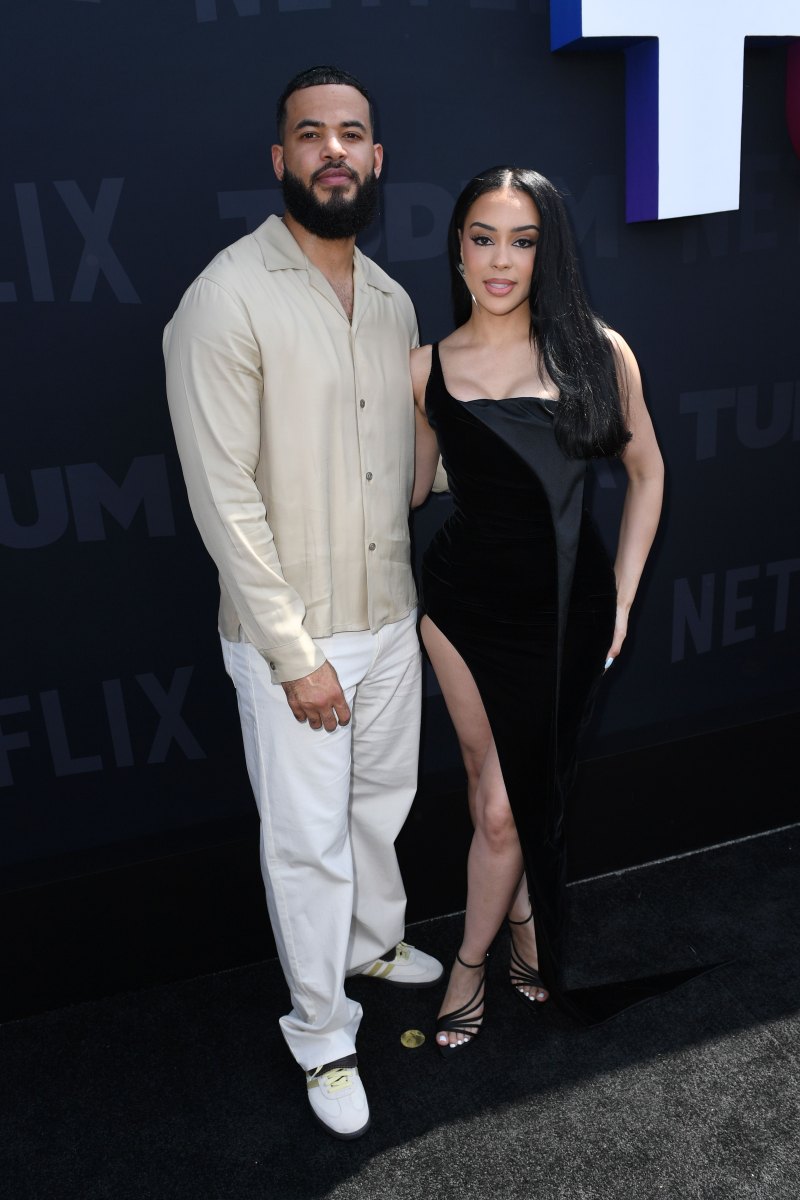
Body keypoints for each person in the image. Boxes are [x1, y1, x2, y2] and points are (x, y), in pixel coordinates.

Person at [164, 65, 442, 1137]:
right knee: (307, 844)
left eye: (353, 134)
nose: (335, 150)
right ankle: (322, 1036)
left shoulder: (391, 299)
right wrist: (294, 654)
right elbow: (222, 497)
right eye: (311, 135)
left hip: (386, 615)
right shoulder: (225, 297)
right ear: (279, 161)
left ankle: (373, 940)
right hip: (299, 641)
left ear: (377, 160)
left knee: (378, 812)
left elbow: (403, 476)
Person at [411, 166, 667, 1052]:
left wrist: (625, 595)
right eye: (484, 237)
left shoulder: (599, 352)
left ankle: (469, 963)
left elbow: (647, 472)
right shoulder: (425, 368)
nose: (501, 259)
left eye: (523, 241)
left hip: (563, 612)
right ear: (458, 247)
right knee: (494, 789)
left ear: (547, 251)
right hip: (454, 607)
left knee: (502, 809)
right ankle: (518, 918)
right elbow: (412, 489)